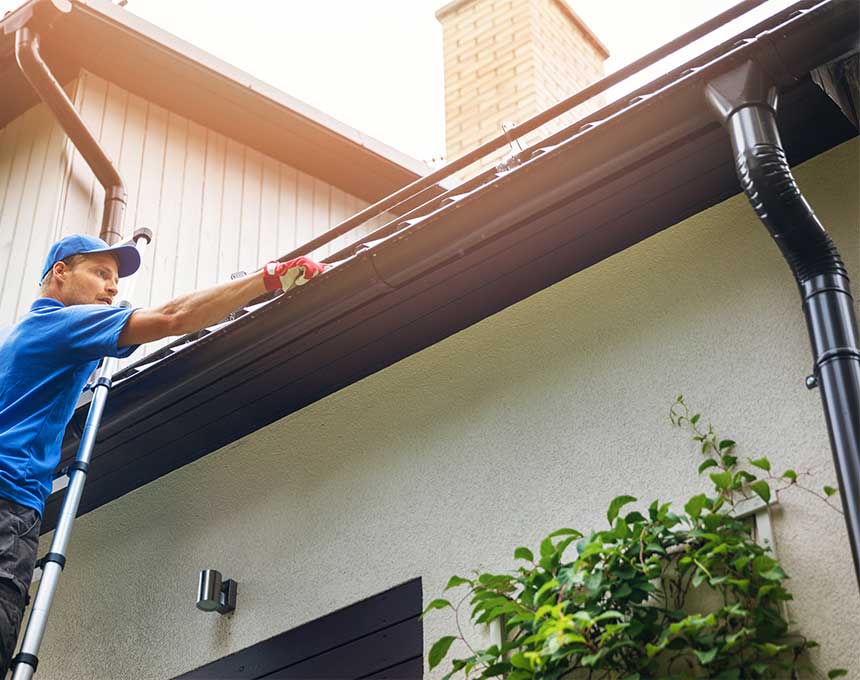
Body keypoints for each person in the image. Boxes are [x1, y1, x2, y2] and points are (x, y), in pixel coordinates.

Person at [0, 233, 325, 673]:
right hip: (9, 505)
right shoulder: (63, 324)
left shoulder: (24, 335)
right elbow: (172, 316)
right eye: (100, 273)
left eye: (114, 279)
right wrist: (266, 278)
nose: (113, 288)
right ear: (60, 273)